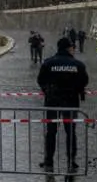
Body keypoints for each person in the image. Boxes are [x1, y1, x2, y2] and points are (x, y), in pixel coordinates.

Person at [37, 37, 89, 170]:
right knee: (70, 132)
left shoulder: (48, 63)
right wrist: (77, 89)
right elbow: (84, 81)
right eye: (72, 47)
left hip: (52, 101)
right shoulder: (78, 64)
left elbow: (40, 80)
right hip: (70, 101)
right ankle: (71, 160)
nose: (74, 49)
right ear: (68, 48)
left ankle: (49, 160)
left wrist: (47, 90)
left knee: (51, 132)